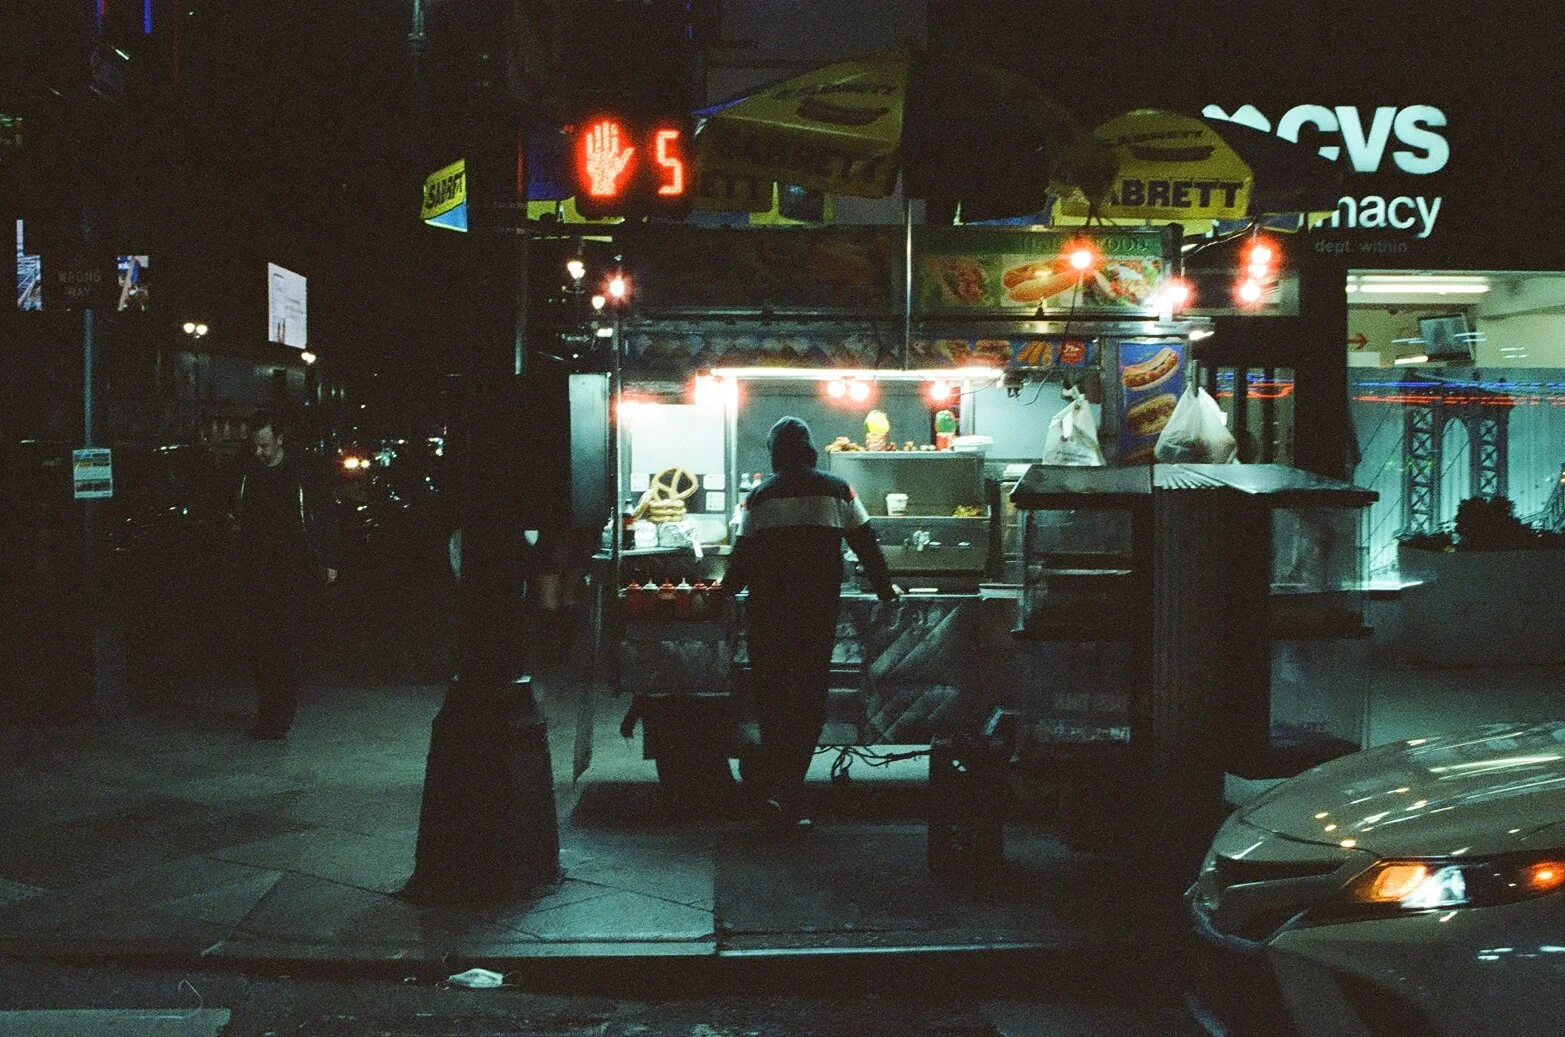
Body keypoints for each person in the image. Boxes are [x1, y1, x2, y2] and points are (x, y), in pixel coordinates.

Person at [723, 416, 898, 827]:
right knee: (807, 699)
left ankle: (773, 789)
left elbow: (743, 557)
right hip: (815, 615)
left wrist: (724, 592)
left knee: (772, 700)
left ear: (774, 453)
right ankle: (790, 789)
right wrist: (886, 589)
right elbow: (866, 543)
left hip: (768, 614)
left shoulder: (760, 496)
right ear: (809, 448)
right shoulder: (838, 489)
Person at [231, 408, 340, 739]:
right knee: (261, 646)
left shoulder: (301, 473)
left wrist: (330, 560)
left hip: (294, 573)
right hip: (258, 573)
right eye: (255, 445)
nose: (259, 452)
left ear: (280, 439)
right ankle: (270, 708)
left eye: (265, 445)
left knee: (286, 644)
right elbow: (240, 520)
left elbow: (324, 516)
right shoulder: (249, 474)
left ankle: (279, 714)